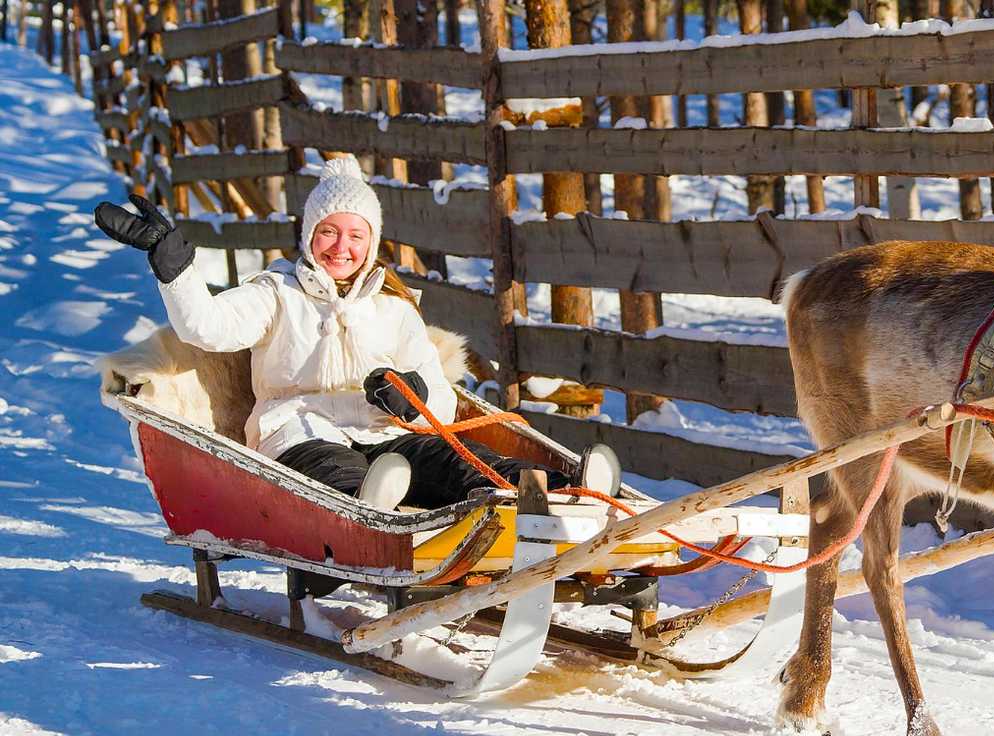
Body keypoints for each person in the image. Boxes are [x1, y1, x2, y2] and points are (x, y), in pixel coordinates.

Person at [93, 155, 620, 510]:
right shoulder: (276, 292)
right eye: (328, 232)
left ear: (372, 243)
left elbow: (438, 392)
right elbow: (205, 328)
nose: (340, 248)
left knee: (452, 462)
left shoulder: (393, 305)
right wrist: (175, 269)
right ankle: (372, 516)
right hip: (298, 434)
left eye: (354, 235)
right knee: (338, 472)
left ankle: (558, 492)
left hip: (385, 431)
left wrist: (409, 396)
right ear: (309, 235)